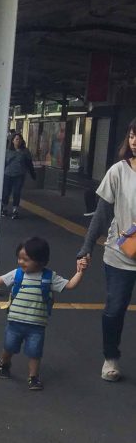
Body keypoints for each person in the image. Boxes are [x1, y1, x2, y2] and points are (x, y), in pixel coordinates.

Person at [0, 237, 85, 391]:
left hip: (37, 325)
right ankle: (4, 363)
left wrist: (80, 272)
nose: (21, 262)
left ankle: (33, 377)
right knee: (9, 347)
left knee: (35, 352)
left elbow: (70, 285)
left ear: (41, 261)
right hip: (15, 322)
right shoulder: (17, 274)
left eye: (26, 260)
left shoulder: (49, 277)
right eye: (19, 258)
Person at [77, 116, 136, 381]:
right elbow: (101, 215)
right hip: (119, 254)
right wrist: (86, 247)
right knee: (114, 309)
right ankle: (110, 358)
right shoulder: (118, 171)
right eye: (133, 135)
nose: (135, 141)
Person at [1, 133, 35, 219]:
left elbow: (29, 164)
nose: (18, 141)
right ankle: (4, 208)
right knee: (6, 193)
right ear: (12, 141)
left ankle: (15, 210)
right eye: (16, 139)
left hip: (19, 175)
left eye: (19, 139)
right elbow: (3, 164)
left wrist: (32, 173)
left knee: (16, 192)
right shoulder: (7, 151)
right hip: (7, 174)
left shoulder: (25, 151)